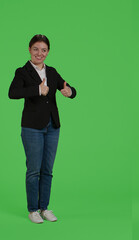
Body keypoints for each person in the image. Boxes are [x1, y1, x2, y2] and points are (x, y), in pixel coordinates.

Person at [9, 34, 77, 224]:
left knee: (47, 169)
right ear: (30, 50)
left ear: (48, 52)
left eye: (44, 50)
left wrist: (70, 91)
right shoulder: (22, 72)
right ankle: (33, 210)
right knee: (33, 170)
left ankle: (44, 207)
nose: (40, 53)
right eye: (36, 49)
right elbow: (12, 93)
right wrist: (37, 90)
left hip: (53, 126)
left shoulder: (52, 72)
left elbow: (67, 86)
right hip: (32, 127)